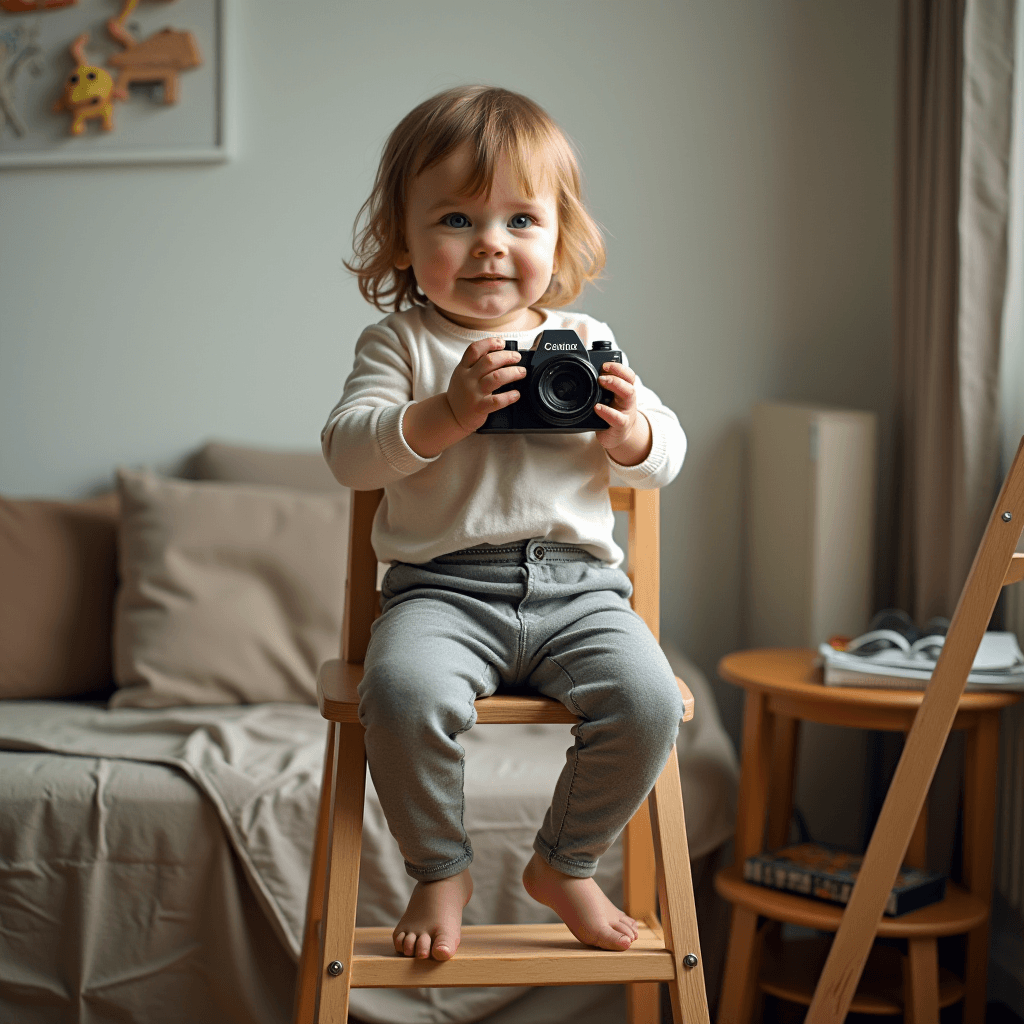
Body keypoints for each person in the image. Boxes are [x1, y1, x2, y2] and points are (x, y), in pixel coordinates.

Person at [322, 85, 687, 963]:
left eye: (522, 219)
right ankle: (438, 867)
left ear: (560, 237)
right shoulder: (401, 344)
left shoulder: (583, 337)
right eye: (455, 218)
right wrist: (446, 411)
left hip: (582, 592)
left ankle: (564, 863)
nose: (490, 243)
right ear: (402, 239)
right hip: (440, 591)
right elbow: (348, 453)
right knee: (401, 694)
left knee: (648, 703)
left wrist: (631, 428)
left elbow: (668, 455)